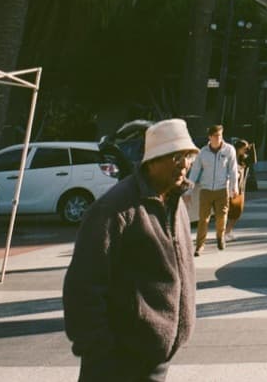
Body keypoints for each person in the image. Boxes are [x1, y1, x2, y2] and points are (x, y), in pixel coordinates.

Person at [63, 118, 196, 381]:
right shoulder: (115, 209)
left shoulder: (174, 202)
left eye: (188, 156)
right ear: (152, 161)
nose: (184, 164)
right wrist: (100, 349)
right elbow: (82, 286)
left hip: (155, 358)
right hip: (117, 362)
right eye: (175, 156)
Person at [186, 124, 236, 256]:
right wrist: (189, 191)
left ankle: (220, 237)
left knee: (221, 217)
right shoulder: (203, 152)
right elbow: (194, 172)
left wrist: (234, 188)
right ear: (210, 137)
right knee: (203, 219)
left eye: (220, 135)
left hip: (222, 189)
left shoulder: (229, 150)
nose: (218, 138)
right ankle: (199, 246)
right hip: (206, 189)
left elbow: (233, 170)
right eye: (215, 136)